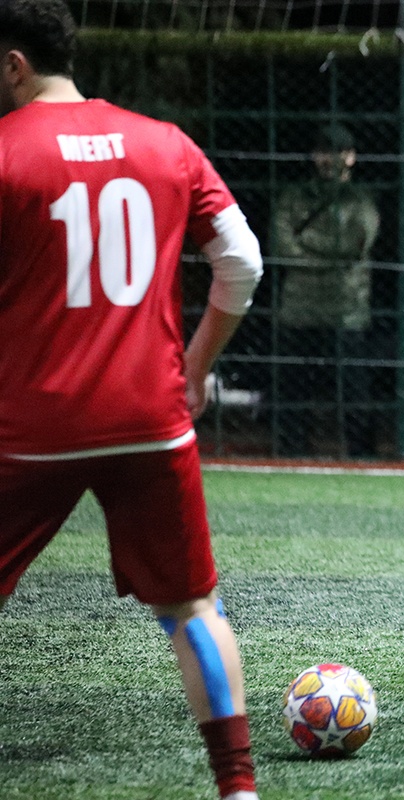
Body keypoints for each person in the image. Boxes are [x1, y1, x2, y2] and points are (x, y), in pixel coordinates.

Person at [0, 2, 264, 798]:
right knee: (191, 606)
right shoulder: (166, 143)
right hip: (151, 416)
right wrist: (193, 367)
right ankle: (239, 788)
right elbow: (243, 263)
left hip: (31, 424)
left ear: (14, 64)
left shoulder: (6, 151)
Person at [273, 123, 381, 458]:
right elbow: (281, 245)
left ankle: (361, 456)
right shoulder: (294, 196)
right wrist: (329, 257)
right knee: (293, 389)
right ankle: (291, 454)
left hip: (347, 309)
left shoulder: (361, 199)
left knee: (353, 390)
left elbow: (355, 243)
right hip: (299, 308)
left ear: (351, 157)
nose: (328, 159)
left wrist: (306, 242)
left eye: (337, 152)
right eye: (322, 151)